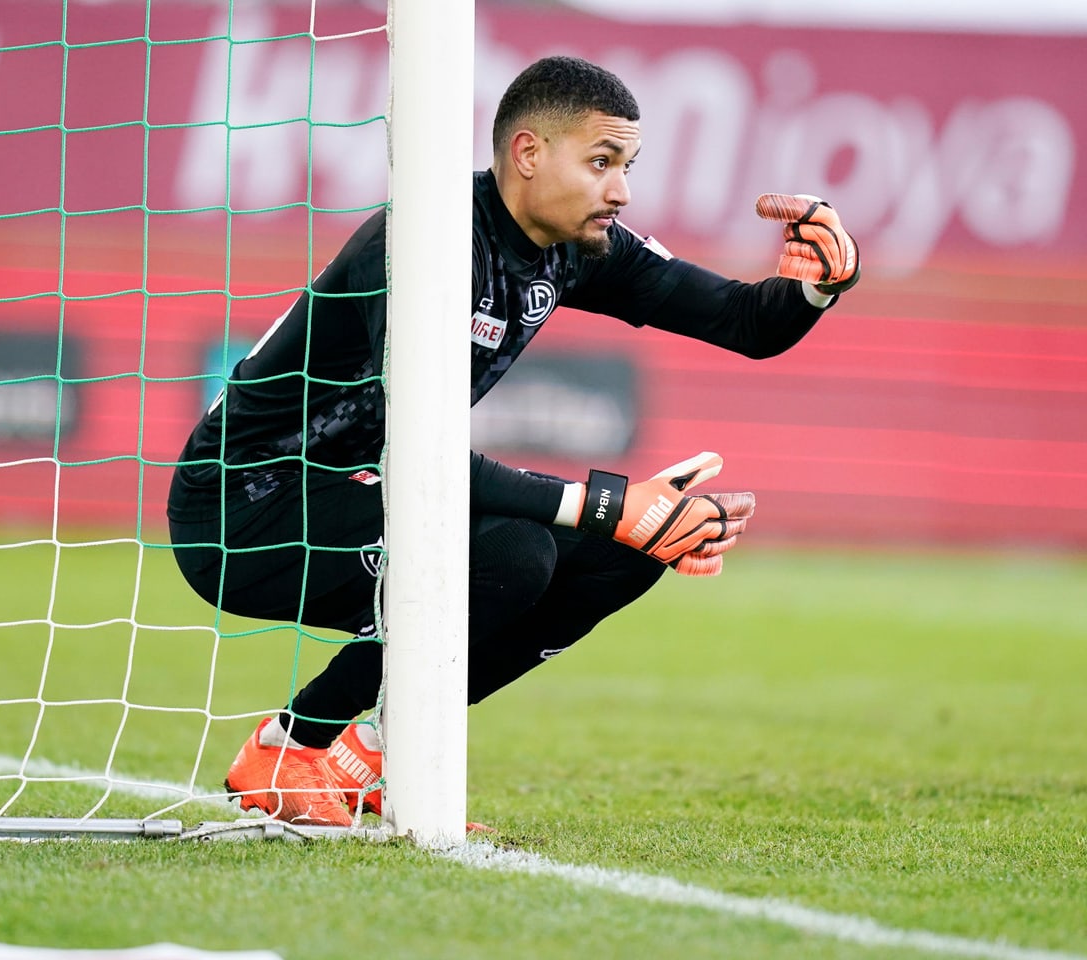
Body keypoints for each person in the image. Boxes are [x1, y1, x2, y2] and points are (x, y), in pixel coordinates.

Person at [166, 55, 859, 827]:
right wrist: (605, 502)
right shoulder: (428, 246)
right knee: (516, 553)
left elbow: (746, 322)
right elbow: (426, 462)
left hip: (360, 494)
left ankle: (376, 758)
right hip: (243, 510)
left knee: (627, 550)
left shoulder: (573, 246)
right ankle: (292, 747)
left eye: (627, 165)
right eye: (602, 162)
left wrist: (816, 286)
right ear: (528, 155)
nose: (622, 189)